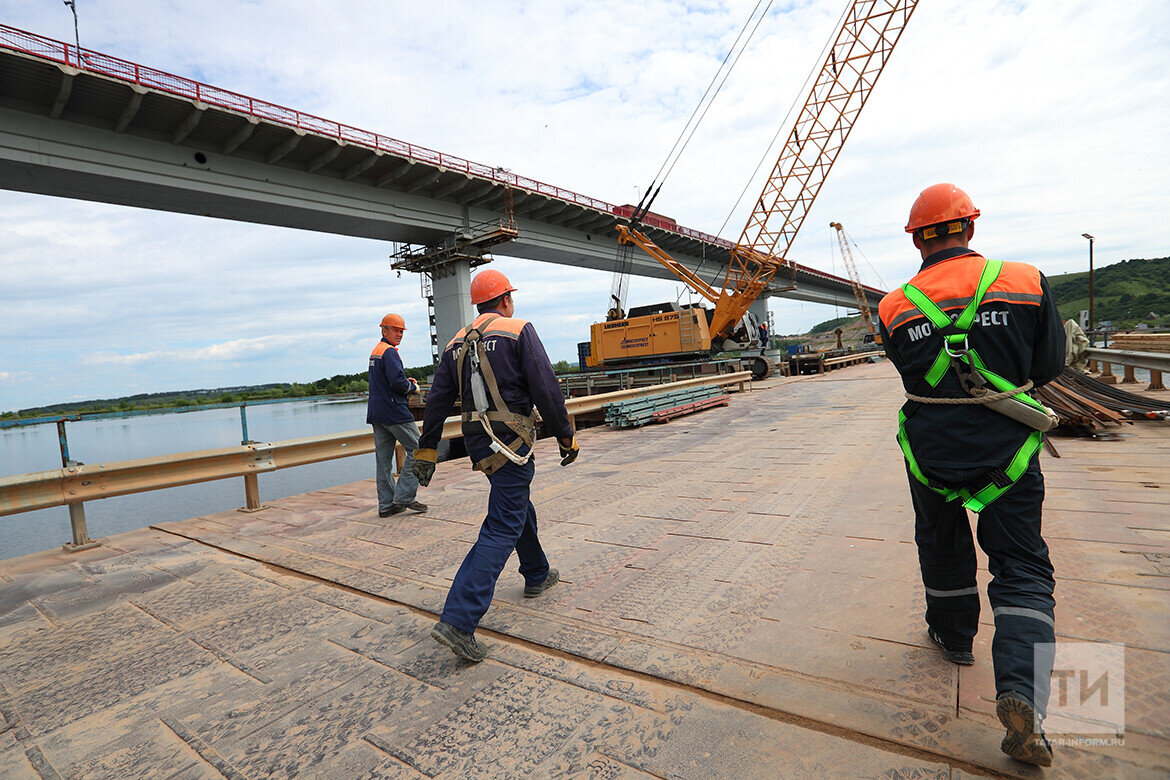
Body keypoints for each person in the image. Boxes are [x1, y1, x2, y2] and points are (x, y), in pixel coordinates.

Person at [877, 184, 1064, 767]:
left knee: (941, 541)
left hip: (930, 453)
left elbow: (909, 372)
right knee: (1021, 564)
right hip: (1008, 450)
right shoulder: (1025, 281)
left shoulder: (894, 306)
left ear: (917, 240)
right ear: (970, 228)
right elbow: (1048, 365)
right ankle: (1022, 694)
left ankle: (955, 638)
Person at [411, 269, 578, 662]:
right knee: (503, 524)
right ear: (505, 300)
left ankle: (536, 572)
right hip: (512, 441)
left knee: (514, 501)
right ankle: (458, 620)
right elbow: (546, 388)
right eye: (510, 298)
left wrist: (427, 448)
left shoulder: (455, 342)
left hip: (479, 444)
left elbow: (437, 399)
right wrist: (565, 435)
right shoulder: (518, 330)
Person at [367, 312, 425, 517]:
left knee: (383, 462)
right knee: (419, 450)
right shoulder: (390, 352)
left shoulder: (376, 351)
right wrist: (413, 388)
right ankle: (404, 497)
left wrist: (403, 381)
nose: (399, 334)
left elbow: (386, 381)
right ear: (384, 330)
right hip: (395, 413)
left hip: (378, 414)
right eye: (395, 330)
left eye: (401, 331)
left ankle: (386, 506)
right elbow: (396, 383)